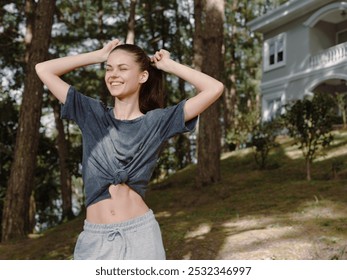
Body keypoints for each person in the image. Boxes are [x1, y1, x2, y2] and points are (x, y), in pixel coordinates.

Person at [35, 39, 224, 260]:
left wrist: (169, 66)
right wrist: (96, 56)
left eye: (123, 68)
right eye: (109, 68)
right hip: (95, 240)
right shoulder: (91, 114)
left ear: (142, 76)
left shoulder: (157, 122)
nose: (113, 74)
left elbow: (214, 88)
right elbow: (43, 69)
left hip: (141, 236)